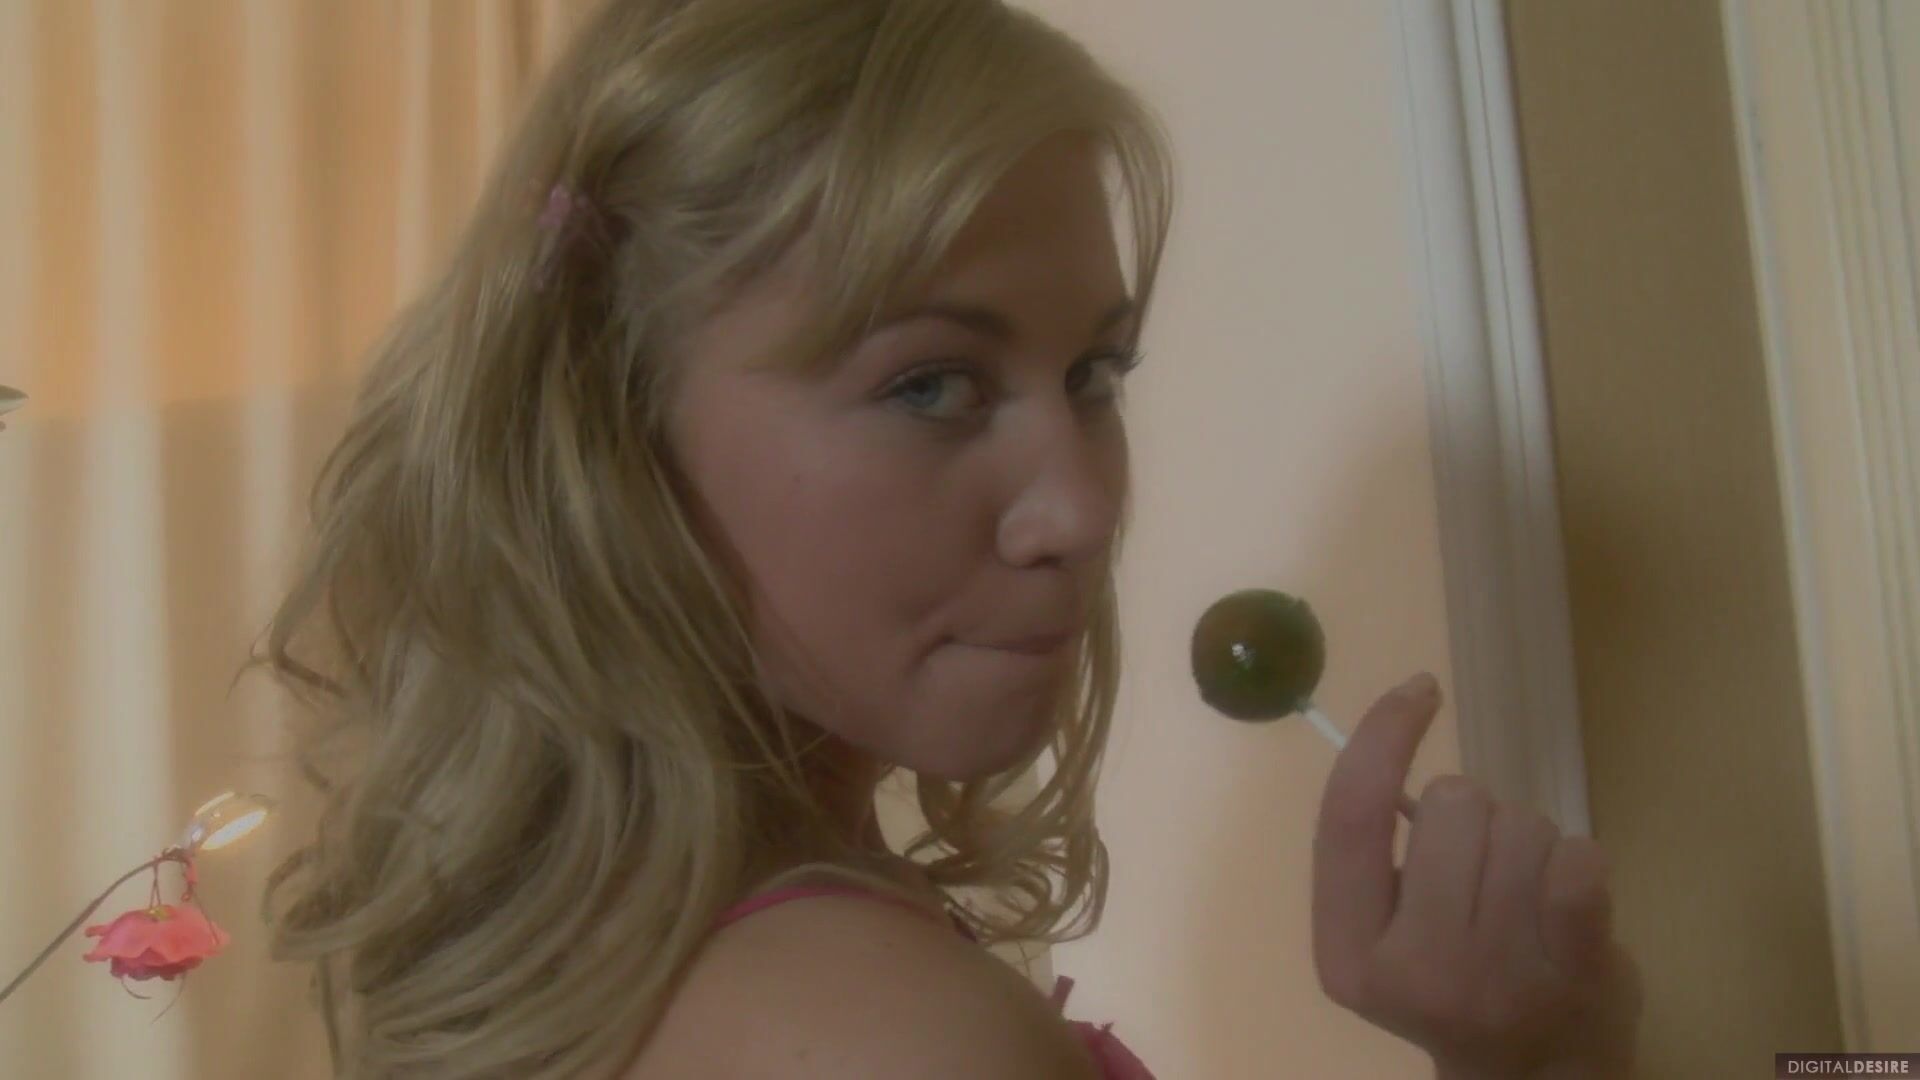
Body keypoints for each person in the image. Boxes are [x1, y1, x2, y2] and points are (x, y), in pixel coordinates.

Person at [247, 0, 1643, 1076]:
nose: (1082, 512)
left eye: (1093, 375)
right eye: (930, 386)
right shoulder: (889, 1040)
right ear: (617, 431)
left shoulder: (628, 955)